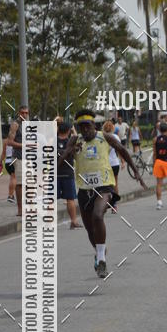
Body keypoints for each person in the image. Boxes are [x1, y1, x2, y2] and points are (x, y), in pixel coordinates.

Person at [59, 109, 146, 277]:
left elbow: (123, 150)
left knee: (98, 216)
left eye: (88, 126)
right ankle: (100, 252)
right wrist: (70, 151)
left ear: (94, 125)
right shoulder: (75, 140)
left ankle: (101, 261)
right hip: (84, 190)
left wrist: (136, 172)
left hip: (105, 186)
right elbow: (61, 160)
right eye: (81, 127)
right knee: (90, 230)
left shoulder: (105, 137)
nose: (85, 130)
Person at [56, 122, 81, 229]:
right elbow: (77, 139)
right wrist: (73, 130)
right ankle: (74, 221)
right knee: (70, 199)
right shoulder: (71, 143)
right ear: (68, 131)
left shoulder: (52, 141)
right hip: (68, 174)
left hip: (54, 174)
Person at [7, 104, 29, 216]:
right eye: (23, 113)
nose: (25, 114)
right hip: (19, 157)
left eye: (26, 113)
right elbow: (9, 142)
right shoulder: (15, 124)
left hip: (29, 158)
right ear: (19, 113)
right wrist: (24, 145)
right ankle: (20, 210)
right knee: (20, 184)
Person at [102, 120, 121, 212]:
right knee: (115, 184)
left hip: (106, 164)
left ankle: (105, 204)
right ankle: (114, 205)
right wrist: (123, 161)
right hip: (115, 163)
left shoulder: (102, 137)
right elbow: (119, 150)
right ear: (113, 128)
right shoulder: (116, 137)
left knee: (106, 185)